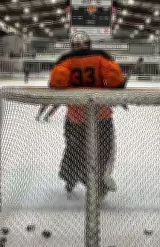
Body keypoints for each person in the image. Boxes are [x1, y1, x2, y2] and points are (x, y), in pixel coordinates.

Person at [49, 31, 125, 198]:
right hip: (101, 115)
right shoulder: (101, 56)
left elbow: (56, 83)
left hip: (75, 118)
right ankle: (99, 183)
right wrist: (119, 88)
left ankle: (70, 177)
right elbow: (114, 79)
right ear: (89, 44)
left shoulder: (64, 59)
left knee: (74, 150)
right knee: (103, 152)